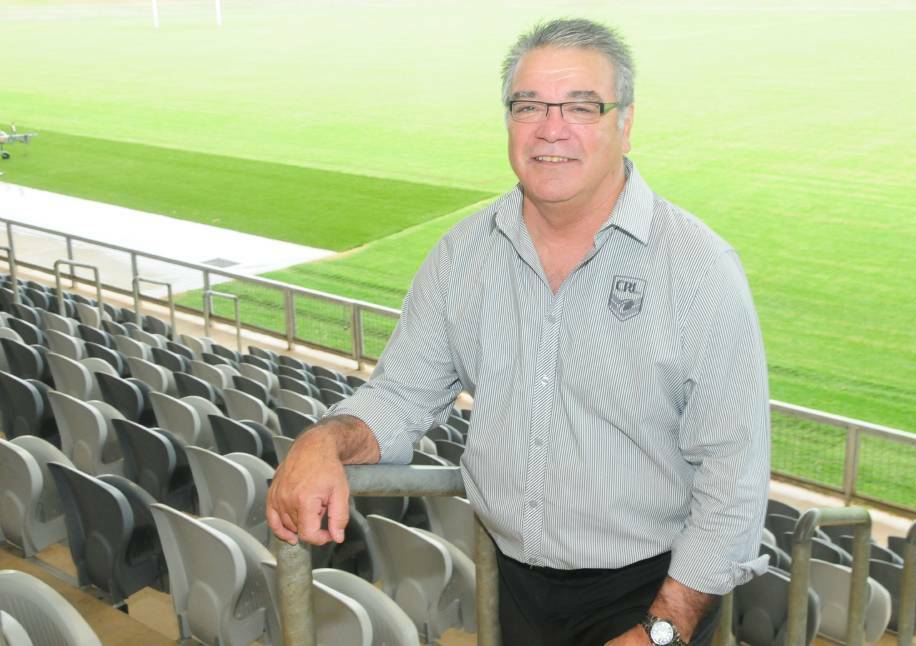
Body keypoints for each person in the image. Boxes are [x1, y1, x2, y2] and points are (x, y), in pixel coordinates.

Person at [267, 18, 770, 646]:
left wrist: (660, 630)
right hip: (515, 593)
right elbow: (398, 397)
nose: (550, 128)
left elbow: (733, 473)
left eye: (582, 106)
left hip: (656, 595)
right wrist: (323, 441)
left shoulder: (698, 270)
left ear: (626, 121)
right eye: (528, 105)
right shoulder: (463, 257)